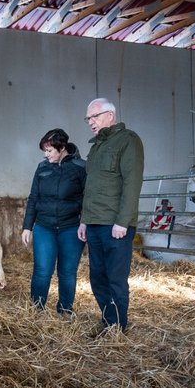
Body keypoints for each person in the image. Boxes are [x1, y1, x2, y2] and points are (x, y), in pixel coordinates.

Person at [76, 98, 144, 333]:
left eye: (95, 117)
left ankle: (118, 327)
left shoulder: (128, 140)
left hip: (115, 225)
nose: (90, 122)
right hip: (94, 223)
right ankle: (108, 320)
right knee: (98, 277)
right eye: (88, 118)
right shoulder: (96, 147)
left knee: (115, 278)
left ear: (110, 115)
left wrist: (122, 221)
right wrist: (84, 220)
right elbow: (91, 188)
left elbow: (132, 183)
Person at [21, 128, 87, 314]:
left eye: (49, 150)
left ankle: (65, 310)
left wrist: (86, 223)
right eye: (44, 150)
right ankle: (36, 309)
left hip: (70, 228)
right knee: (42, 270)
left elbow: (88, 198)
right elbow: (34, 197)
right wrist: (27, 226)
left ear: (62, 147)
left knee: (67, 272)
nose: (45, 154)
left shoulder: (80, 168)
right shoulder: (42, 168)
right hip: (44, 227)